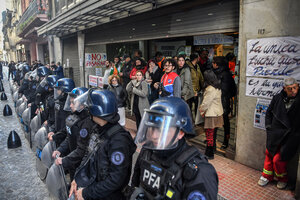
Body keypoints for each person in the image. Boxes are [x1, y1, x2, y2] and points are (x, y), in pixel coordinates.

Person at [131, 97, 219, 200]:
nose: (154, 135)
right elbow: (135, 185)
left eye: (161, 130)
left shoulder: (200, 172)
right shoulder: (147, 153)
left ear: (180, 133)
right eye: (151, 128)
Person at [69, 89, 136, 200]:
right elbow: (89, 156)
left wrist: (86, 193)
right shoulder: (98, 129)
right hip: (96, 190)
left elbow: (115, 180)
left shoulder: (119, 141)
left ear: (95, 111)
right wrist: (77, 178)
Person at [258, 77, 300, 189]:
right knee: (269, 153)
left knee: (278, 160)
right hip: (275, 133)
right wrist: (269, 127)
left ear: (298, 86)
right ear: (284, 89)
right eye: (289, 89)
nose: (293, 91)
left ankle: (282, 178)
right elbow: (268, 114)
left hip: (290, 137)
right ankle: (266, 176)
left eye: (295, 88)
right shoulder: (277, 98)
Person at [52, 87, 94, 181]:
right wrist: (60, 149)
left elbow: (81, 150)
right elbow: (69, 135)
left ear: (82, 105)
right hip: (72, 160)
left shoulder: (86, 123)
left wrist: (64, 160)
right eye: (70, 102)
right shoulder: (74, 115)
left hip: (81, 165)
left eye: (73, 103)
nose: (70, 105)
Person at [212, 56, 236, 149]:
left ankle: (225, 141)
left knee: (225, 122)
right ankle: (212, 139)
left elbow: (232, 90)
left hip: (223, 102)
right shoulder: (219, 73)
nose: (212, 64)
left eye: (213, 63)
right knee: (215, 122)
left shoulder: (224, 75)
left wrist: (225, 96)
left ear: (217, 65)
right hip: (218, 102)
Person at [199, 70, 224, 159]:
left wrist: (201, 110)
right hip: (217, 113)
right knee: (213, 134)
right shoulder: (217, 87)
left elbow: (206, 103)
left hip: (211, 114)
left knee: (209, 134)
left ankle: (209, 153)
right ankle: (212, 149)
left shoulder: (210, 89)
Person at [48, 78, 75, 145]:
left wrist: (56, 136)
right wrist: (53, 131)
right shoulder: (59, 103)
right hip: (58, 138)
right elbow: (58, 121)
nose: (57, 92)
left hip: (65, 141)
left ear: (64, 91)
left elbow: (66, 128)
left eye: (59, 90)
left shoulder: (70, 108)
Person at [186, 53, 205, 118]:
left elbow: (201, 77)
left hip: (197, 90)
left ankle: (196, 120)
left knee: (197, 106)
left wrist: (203, 87)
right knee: (189, 106)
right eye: (198, 57)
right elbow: (187, 80)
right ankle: (190, 120)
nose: (199, 59)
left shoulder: (197, 66)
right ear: (196, 58)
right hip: (190, 91)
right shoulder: (187, 67)